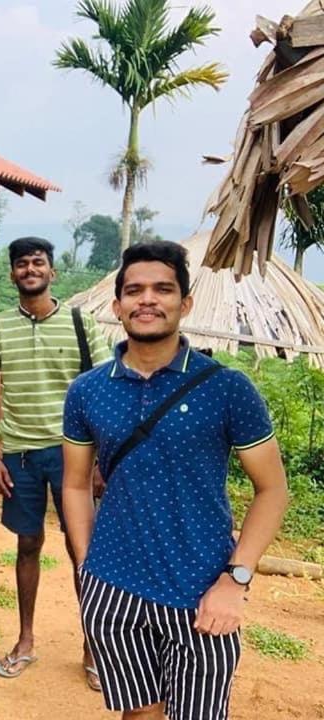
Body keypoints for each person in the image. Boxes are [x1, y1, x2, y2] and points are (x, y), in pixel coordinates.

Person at [62, 241, 288, 720]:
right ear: (117, 305)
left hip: (203, 592)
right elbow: (76, 484)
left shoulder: (227, 389)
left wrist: (236, 580)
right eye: (134, 290)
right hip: (113, 587)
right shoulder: (87, 391)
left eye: (162, 289)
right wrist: (86, 566)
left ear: (185, 303)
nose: (147, 299)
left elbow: (273, 490)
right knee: (139, 712)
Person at [0, 237, 111, 686]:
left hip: (75, 455)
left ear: (53, 272)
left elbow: (104, 392)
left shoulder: (80, 323)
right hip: (19, 455)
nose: (30, 269)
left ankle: (93, 647)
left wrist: (101, 460)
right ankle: (26, 639)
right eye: (22, 263)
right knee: (27, 544)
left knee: (81, 550)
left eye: (38, 262)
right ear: (12, 273)